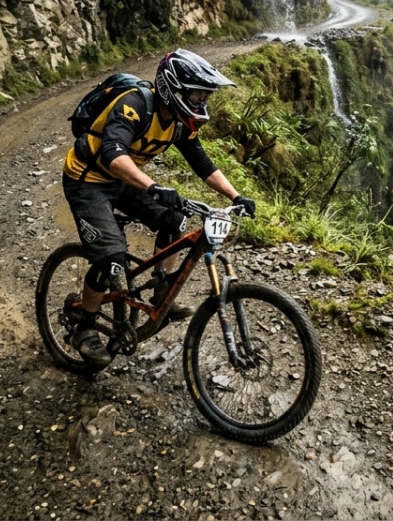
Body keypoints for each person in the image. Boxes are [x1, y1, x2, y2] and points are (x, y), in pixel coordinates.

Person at [61, 49, 256, 365]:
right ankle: (84, 326)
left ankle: (160, 293)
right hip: (88, 181)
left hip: (123, 181)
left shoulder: (179, 122)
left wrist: (236, 197)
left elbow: (201, 163)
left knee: (176, 221)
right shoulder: (135, 105)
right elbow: (112, 152)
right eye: (196, 94)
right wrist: (152, 186)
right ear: (173, 87)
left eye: (204, 96)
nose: (200, 102)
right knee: (109, 258)